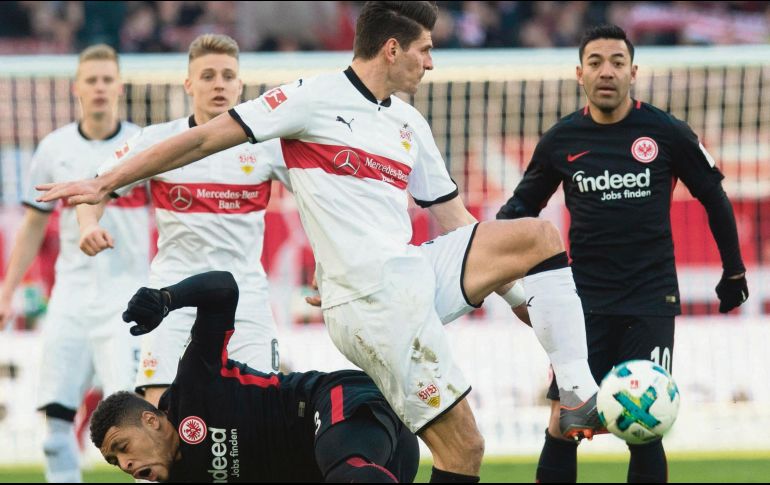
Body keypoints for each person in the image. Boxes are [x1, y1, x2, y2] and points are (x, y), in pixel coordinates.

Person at [37, 3, 604, 481]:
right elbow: (204, 139)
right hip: (368, 298)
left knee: (537, 235)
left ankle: (576, 390)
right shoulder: (309, 99)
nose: (432, 62)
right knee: (465, 449)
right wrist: (104, 183)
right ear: (391, 48)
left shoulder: (409, 124)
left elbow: (457, 221)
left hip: (406, 272)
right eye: (425, 49)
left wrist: (521, 302)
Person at [497, 24, 748, 483]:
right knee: (566, 420)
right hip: (581, 305)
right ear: (580, 74)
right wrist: (485, 254)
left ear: (634, 72)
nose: (606, 71)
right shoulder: (562, 140)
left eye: (616, 62)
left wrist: (733, 270)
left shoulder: (666, 132)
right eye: (595, 62)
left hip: (649, 301)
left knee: (644, 424)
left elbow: (713, 195)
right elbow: (518, 209)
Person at [75, 34, 290, 407]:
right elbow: (95, 189)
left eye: (227, 75)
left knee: (261, 412)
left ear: (240, 84)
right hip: (171, 299)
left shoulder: (268, 146)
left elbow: (318, 201)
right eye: (208, 75)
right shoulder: (158, 142)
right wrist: (88, 226)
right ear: (189, 84)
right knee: (161, 417)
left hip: (246, 298)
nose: (219, 83)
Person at [90, 271, 420, 483]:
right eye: (114, 461)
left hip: (341, 405)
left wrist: (166, 298)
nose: (126, 464)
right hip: (378, 458)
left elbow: (223, 288)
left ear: (152, 421)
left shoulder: (193, 385)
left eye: (122, 447)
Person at [0, 44, 149, 483]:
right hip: (70, 296)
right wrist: (7, 289)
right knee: (55, 427)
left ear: (119, 87)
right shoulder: (53, 147)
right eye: (92, 80)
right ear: (77, 88)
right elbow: (32, 225)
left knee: (138, 425)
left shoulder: (143, 143)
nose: (100, 87)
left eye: (107, 79)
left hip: (128, 296)